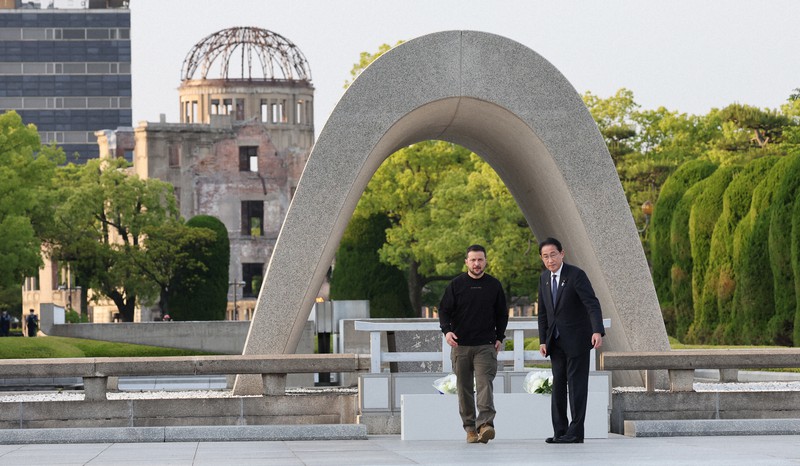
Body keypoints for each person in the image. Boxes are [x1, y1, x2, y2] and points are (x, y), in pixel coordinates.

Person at [439, 244, 508, 444]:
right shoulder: (456, 285)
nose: (477, 264)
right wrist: (447, 331)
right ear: (466, 262)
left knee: (485, 383)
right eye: (473, 260)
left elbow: (502, 313)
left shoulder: (494, 285)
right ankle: (470, 428)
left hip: (485, 345)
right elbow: (444, 310)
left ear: (485, 261)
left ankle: (486, 424)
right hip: (460, 345)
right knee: (464, 387)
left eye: (480, 260)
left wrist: (499, 337)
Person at [537, 237, 604, 444]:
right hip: (555, 343)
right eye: (546, 256)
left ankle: (575, 433)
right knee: (558, 386)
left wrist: (597, 331)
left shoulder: (576, 275)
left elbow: (592, 303)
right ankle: (560, 431)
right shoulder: (544, 278)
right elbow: (543, 313)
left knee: (576, 387)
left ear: (562, 253)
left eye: (553, 255)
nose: (550, 260)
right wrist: (542, 340)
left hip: (577, 340)